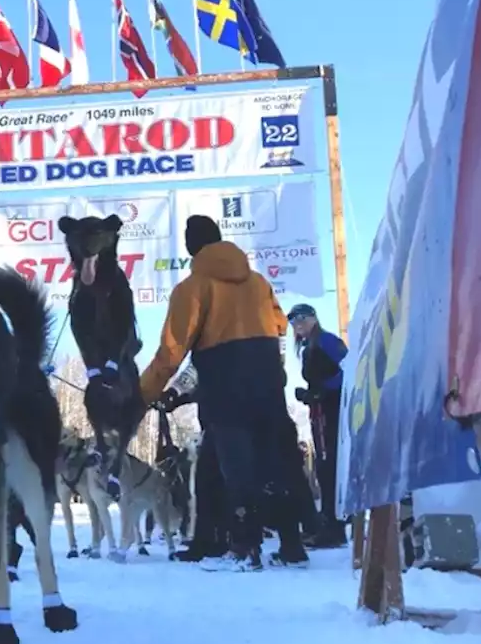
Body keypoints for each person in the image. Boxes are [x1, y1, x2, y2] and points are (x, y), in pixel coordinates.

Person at [138, 216, 308, 571]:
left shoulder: (193, 288)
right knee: (252, 465)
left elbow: (172, 350)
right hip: (266, 381)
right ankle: (285, 545)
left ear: (191, 246)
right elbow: (278, 325)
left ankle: (245, 549)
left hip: (225, 385)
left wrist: (143, 393)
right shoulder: (259, 282)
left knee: (237, 468)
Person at [288, 303, 349, 549]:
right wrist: (310, 394)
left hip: (333, 412)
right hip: (320, 412)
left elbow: (349, 369)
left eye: (303, 318)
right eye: (294, 321)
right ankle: (328, 522)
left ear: (314, 318)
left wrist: (323, 391)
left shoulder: (327, 342)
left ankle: (334, 527)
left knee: (329, 465)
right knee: (324, 467)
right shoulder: (307, 348)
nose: (299, 324)